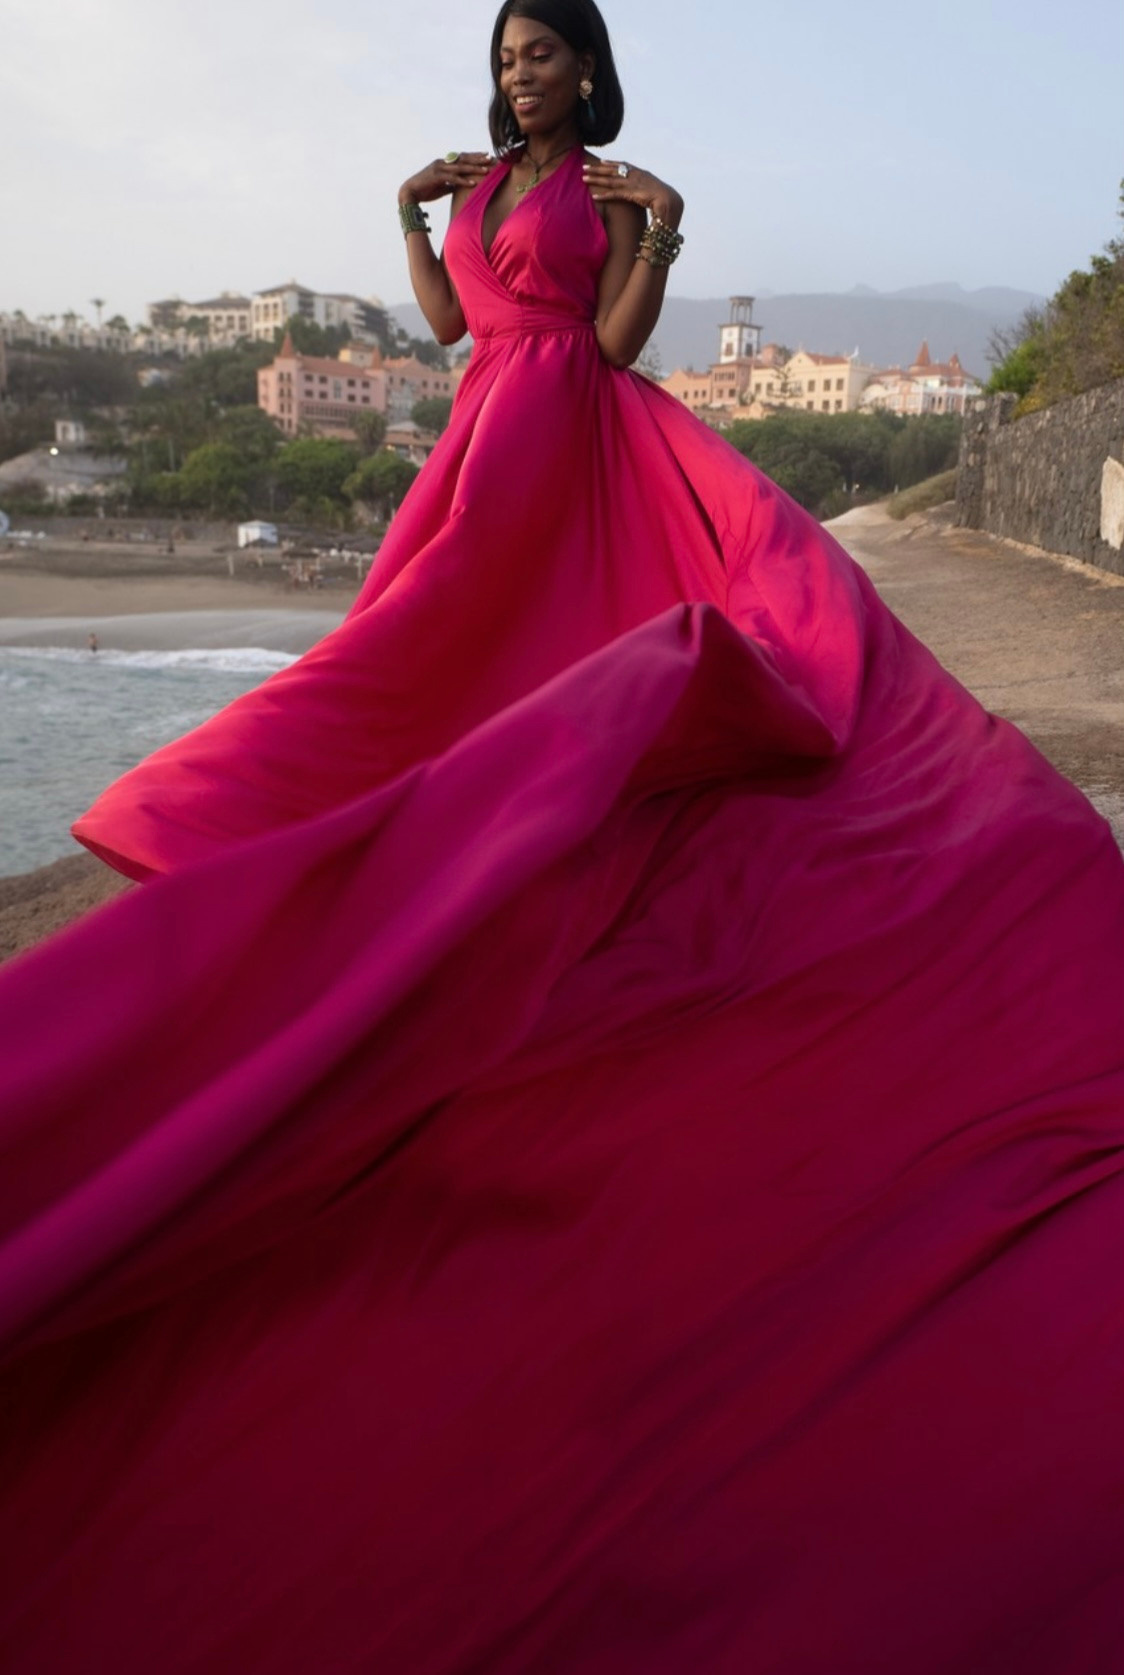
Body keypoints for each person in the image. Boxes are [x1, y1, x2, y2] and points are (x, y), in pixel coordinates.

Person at [1, 3, 1122, 1669]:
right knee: (416, 652)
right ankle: (338, 839)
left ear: (588, 72)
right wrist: (405, 220)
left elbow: (600, 348)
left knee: (486, 647)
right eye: (510, 50)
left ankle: (449, 840)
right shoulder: (473, 183)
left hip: (560, 426)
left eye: (547, 52)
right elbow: (457, 323)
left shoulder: (601, 187)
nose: (525, 70)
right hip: (477, 424)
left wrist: (661, 230)